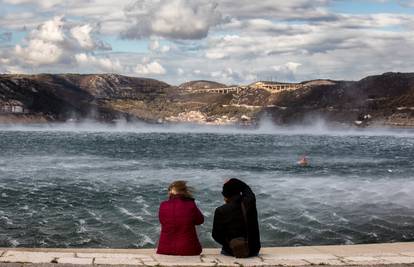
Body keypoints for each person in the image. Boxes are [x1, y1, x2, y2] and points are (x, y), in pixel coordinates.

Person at [212, 178, 261, 257]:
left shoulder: (220, 210)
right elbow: (245, 187)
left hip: (232, 251)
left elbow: (216, 235)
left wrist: (231, 244)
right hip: (253, 250)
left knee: (225, 250)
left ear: (226, 195)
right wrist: (232, 181)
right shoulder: (250, 202)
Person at [157, 181, 204, 255]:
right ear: (185, 191)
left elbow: (162, 221)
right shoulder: (191, 204)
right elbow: (200, 220)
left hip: (165, 249)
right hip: (189, 249)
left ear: (170, 192)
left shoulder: (163, 205)